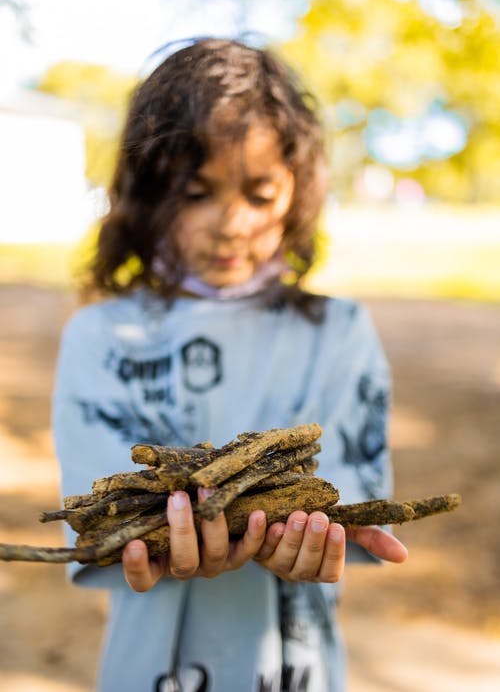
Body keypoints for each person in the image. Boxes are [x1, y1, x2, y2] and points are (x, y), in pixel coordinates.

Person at [52, 37, 407, 692]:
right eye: (196, 192)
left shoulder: (338, 333)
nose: (232, 224)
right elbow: (99, 518)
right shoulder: (103, 336)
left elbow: (355, 499)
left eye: (260, 192)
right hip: (149, 669)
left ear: (296, 190)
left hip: (291, 669)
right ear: (149, 189)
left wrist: (331, 531)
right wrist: (148, 539)